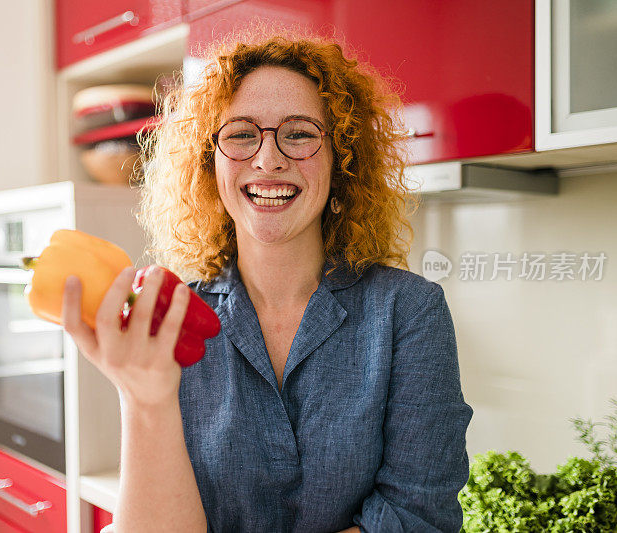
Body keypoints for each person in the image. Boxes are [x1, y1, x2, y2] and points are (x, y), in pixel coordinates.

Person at [62, 28, 473, 533]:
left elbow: (417, 519)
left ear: (341, 159)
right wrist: (142, 398)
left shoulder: (409, 312)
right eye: (240, 134)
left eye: (299, 133)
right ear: (208, 162)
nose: (268, 159)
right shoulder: (168, 319)